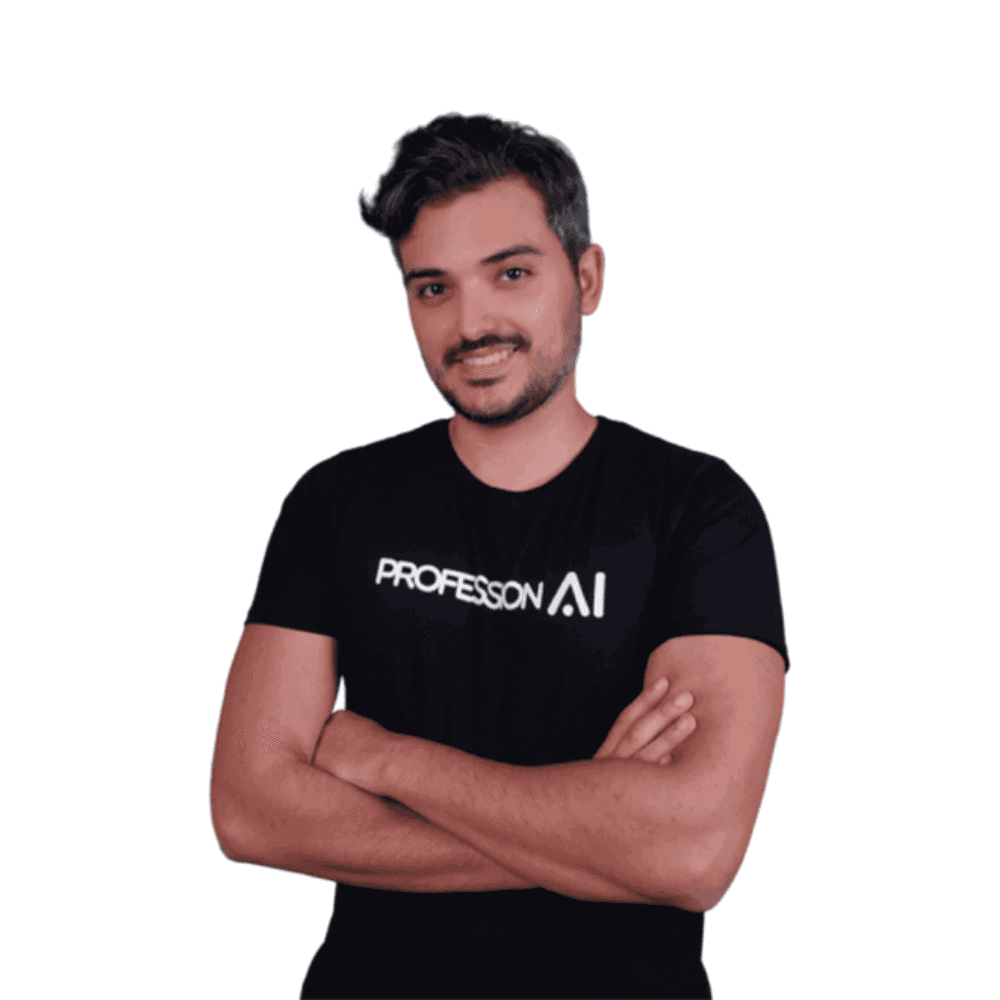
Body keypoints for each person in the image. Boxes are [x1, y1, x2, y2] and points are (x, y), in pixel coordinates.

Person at [210, 113, 788, 1000]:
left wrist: (388, 760)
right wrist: (599, 834)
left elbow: (693, 852)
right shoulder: (337, 501)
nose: (472, 322)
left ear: (586, 278)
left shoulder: (699, 509)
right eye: (432, 288)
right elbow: (250, 811)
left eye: (511, 274)